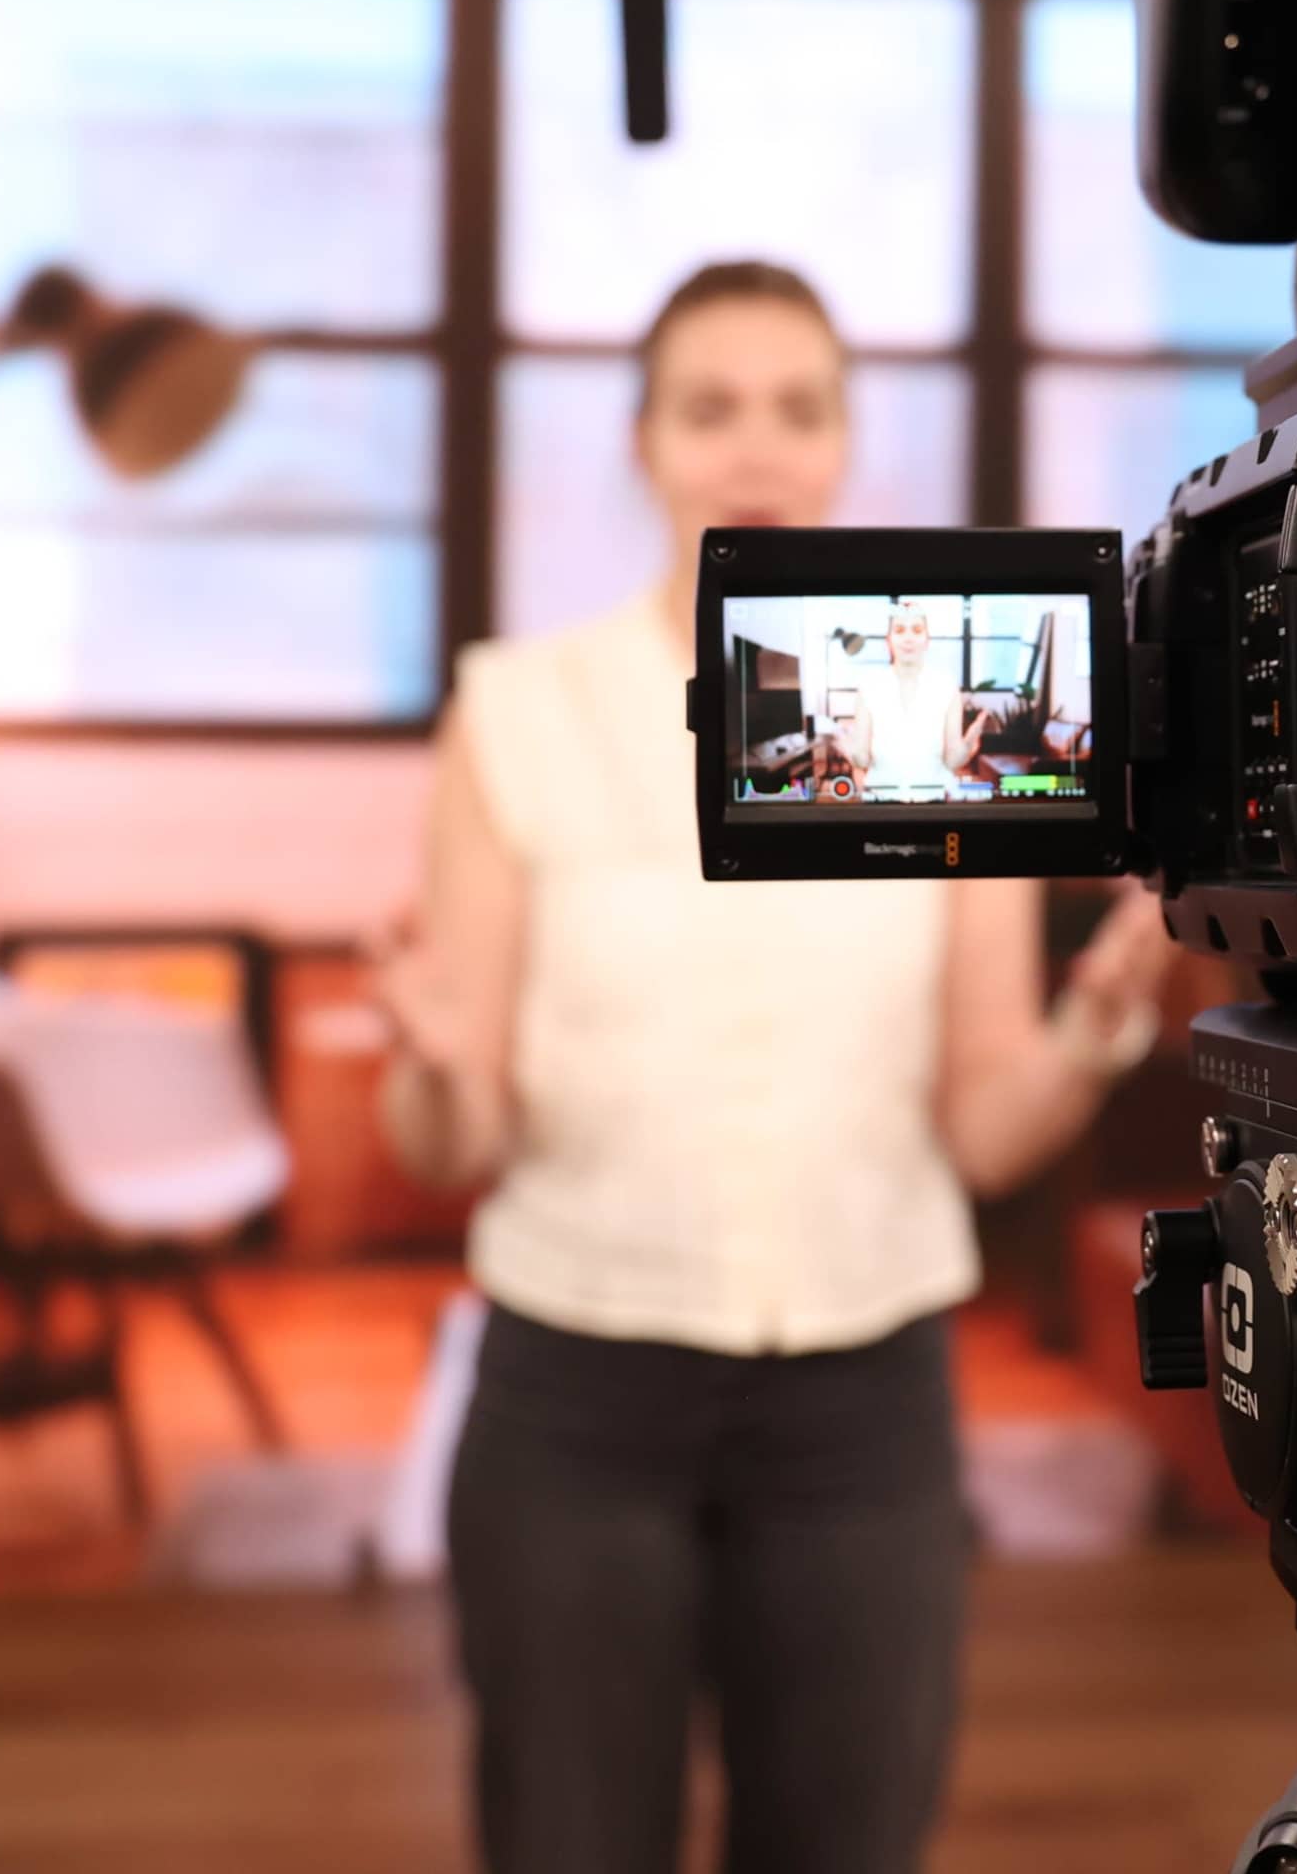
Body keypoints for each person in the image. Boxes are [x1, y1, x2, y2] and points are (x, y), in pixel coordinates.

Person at [375, 259, 1177, 1874]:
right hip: (574, 1385)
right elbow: (447, 1132)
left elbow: (982, 1126)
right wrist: (441, 1066)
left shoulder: (956, 706)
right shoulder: (518, 706)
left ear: (844, 443)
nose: (755, 445)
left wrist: (1103, 1014)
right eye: (710, 406)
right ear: (642, 440)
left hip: (861, 1396)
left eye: (797, 407)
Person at [838, 602, 988, 797]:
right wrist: (852, 751)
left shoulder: (947, 685)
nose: (908, 638)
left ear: (927, 640)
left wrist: (967, 747)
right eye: (899, 630)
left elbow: (952, 761)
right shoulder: (868, 686)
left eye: (917, 630)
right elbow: (863, 760)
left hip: (934, 797)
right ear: (888, 640)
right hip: (882, 796)